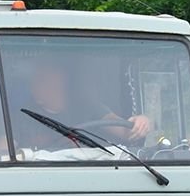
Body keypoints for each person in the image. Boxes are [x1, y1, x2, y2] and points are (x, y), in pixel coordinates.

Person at [9, 58, 152, 150]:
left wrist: (143, 121)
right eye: (36, 81)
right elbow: (3, 152)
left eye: (45, 80)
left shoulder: (87, 107)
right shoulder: (21, 116)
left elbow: (125, 132)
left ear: (63, 81)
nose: (35, 87)